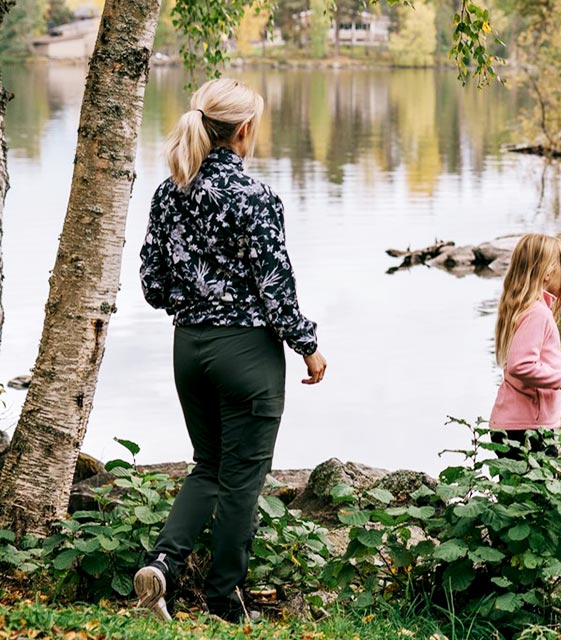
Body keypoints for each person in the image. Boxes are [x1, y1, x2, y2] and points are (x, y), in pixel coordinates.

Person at [133, 79, 328, 624]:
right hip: (246, 353)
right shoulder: (255, 197)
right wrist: (307, 345)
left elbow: (151, 283)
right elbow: (275, 286)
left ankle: (164, 567)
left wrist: (193, 300)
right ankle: (223, 602)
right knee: (243, 479)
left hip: (188, 349)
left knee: (209, 466)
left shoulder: (169, 191)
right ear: (244, 130)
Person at [488, 234, 561, 460]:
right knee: (536, 494)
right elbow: (521, 365)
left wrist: (558, 260)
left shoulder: (527, 307)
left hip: (517, 425)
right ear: (548, 273)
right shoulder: (537, 313)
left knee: (518, 494)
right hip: (528, 431)